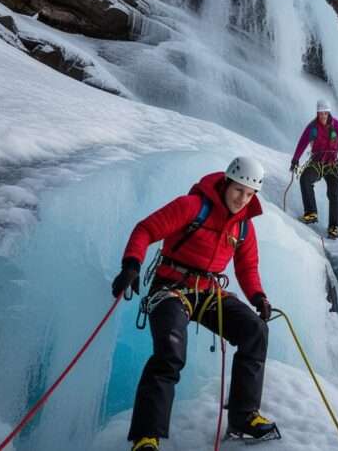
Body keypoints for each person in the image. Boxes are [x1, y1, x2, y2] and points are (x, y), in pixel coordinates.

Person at [111, 156, 278, 451]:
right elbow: (146, 229)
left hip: (208, 292)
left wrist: (258, 297)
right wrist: (131, 264)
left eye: (250, 194)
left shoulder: (243, 227)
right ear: (227, 183)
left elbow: (247, 267)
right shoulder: (193, 206)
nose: (243, 199)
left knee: (255, 331)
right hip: (171, 290)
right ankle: (146, 437)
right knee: (170, 354)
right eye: (239, 190)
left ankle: (243, 417)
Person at [290, 99, 338, 239]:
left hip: (332, 163)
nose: (323, 116)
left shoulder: (337, 126)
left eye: (325, 113)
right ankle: (311, 213)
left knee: (333, 193)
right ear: (317, 112)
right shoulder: (312, 127)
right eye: (321, 113)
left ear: (329, 112)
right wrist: (295, 159)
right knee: (305, 179)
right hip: (317, 162)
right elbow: (302, 142)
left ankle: (334, 228)